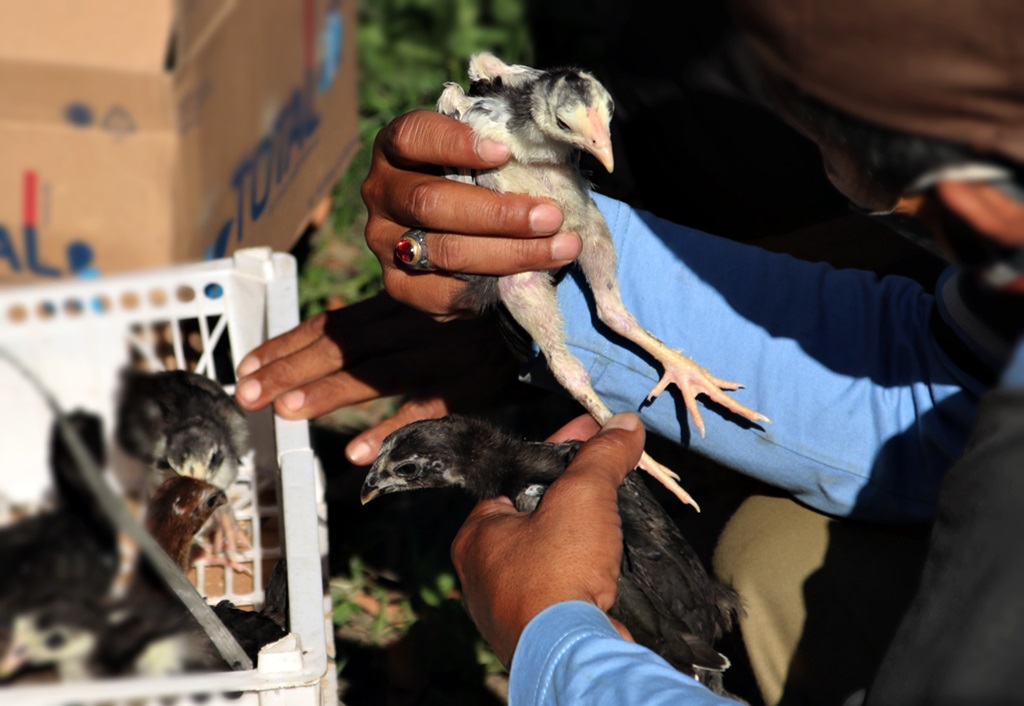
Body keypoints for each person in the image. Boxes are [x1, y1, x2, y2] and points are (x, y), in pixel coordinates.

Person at [234, 0, 1024, 702]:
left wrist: (560, 646)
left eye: (823, 131)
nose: (832, 173)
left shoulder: (1008, 492)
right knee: (775, 566)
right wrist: (520, 275)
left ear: (972, 191)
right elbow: (948, 383)